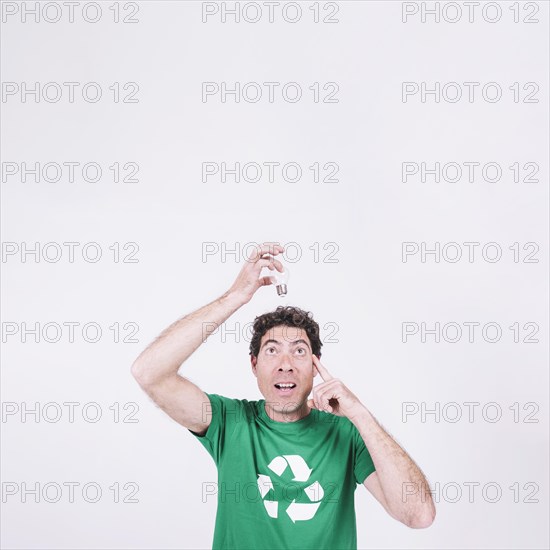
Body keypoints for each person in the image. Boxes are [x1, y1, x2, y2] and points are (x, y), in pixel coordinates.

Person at [131, 242, 436, 549]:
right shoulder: (230, 422)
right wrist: (236, 296)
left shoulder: (346, 434)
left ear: (316, 367)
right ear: (254, 365)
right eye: (272, 350)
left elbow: (419, 515)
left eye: (300, 352)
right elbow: (149, 372)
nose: (286, 365)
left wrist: (359, 414)